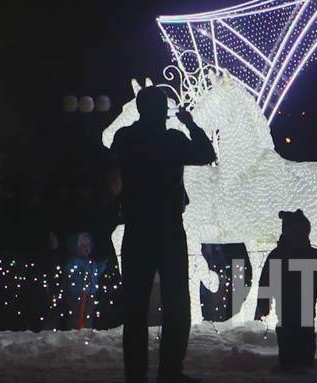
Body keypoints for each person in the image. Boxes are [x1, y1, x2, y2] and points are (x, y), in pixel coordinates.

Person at [112, 86, 216, 383]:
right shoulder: (172, 140)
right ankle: (170, 371)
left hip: (136, 228)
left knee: (134, 307)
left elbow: (113, 159)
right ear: (162, 111)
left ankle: (136, 374)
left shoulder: (126, 138)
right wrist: (190, 123)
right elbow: (207, 153)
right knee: (177, 305)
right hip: (169, 228)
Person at [255, 210, 317, 371]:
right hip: (296, 304)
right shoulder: (310, 255)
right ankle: (299, 362)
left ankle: (294, 362)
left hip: (289, 303)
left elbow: (266, 282)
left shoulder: (279, 255)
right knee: (296, 331)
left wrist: (263, 304)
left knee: (293, 331)